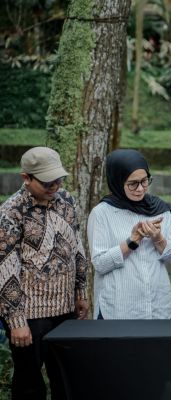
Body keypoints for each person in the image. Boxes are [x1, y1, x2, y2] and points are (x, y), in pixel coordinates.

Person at [0, 147, 88, 400]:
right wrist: (16, 321)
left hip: (65, 309)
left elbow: (77, 246)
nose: (55, 186)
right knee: (29, 384)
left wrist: (81, 290)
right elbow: (5, 267)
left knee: (67, 379)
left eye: (58, 180)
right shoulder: (11, 211)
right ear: (26, 178)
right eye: (47, 182)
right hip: (30, 315)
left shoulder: (67, 200)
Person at [88, 149, 171, 319]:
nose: (140, 189)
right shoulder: (102, 213)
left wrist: (158, 239)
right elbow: (100, 264)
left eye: (144, 181)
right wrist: (132, 242)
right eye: (133, 184)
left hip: (156, 307)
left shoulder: (159, 209)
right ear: (118, 181)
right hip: (118, 310)